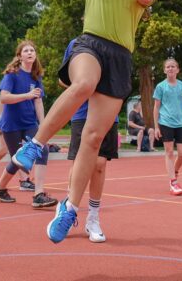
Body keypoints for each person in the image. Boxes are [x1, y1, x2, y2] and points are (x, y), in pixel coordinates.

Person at [10, 0, 157, 245]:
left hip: (119, 58)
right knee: (83, 83)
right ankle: (35, 145)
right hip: (91, 45)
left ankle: (70, 208)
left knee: (93, 140)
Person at [62, 38, 119, 243]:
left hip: (107, 111)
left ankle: (93, 218)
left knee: (100, 164)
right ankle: (68, 212)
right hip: (82, 112)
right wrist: (86, 82)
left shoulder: (116, 44)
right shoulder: (77, 44)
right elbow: (63, 80)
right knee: (78, 162)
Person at [0, 40, 58, 209]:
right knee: (19, 161)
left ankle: (38, 195)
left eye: (32, 50)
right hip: (11, 124)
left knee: (42, 150)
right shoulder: (12, 74)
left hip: (29, 123)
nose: (30, 53)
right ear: (19, 56)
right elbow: (4, 98)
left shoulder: (36, 76)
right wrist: (27, 95)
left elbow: (38, 102)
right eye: (26, 50)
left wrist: (44, 125)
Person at [152, 58, 182, 195]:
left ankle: (175, 171)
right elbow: (156, 107)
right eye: (168, 67)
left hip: (180, 123)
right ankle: (173, 182)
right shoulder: (160, 87)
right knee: (169, 152)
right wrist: (156, 127)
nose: (170, 68)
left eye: (173, 66)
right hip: (166, 122)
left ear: (177, 70)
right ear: (164, 70)